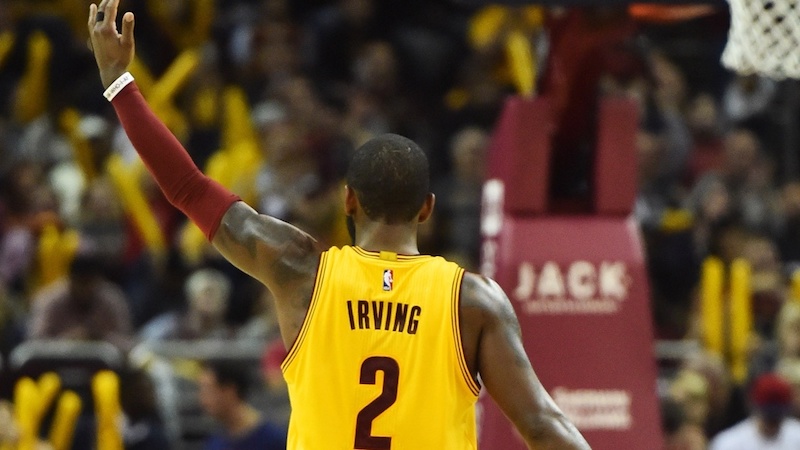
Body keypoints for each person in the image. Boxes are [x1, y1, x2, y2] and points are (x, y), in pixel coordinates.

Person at [86, 1, 590, 449]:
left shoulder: (300, 271)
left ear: (347, 201)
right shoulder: (472, 301)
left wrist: (119, 83)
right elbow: (543, 426)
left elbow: (188, 187)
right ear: (426, 209)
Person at [198, 361, 287, 450]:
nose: (202, 400)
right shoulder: (214, 441)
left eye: (208, 390)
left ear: (230, 391)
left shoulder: (274, 439)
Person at [709, 373, 800, 450]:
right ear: (754, 408)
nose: (773, 422)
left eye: (777, 416)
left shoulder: (797, 435)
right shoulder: (729, 443)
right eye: (768, 416)